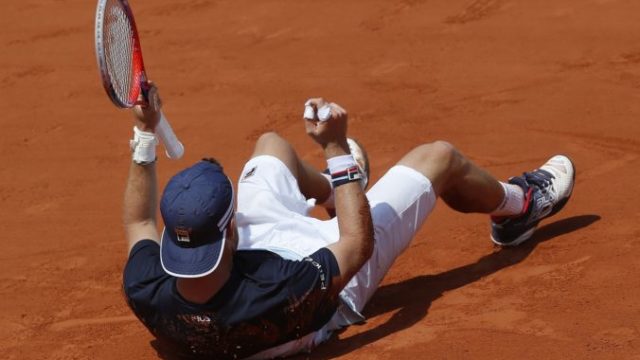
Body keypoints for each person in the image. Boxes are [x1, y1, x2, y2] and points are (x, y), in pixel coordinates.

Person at [122, 83, 575, 359]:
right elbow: (356, 246)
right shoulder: (281, 287)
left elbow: (138, 222)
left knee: (270, 147)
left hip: (250, 264)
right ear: (232, 229)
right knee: (439, 158)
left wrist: (146, 131)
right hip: (333, 282)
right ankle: (521, 207)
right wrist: (336, 148)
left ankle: (339, 194)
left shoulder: (147, 286)